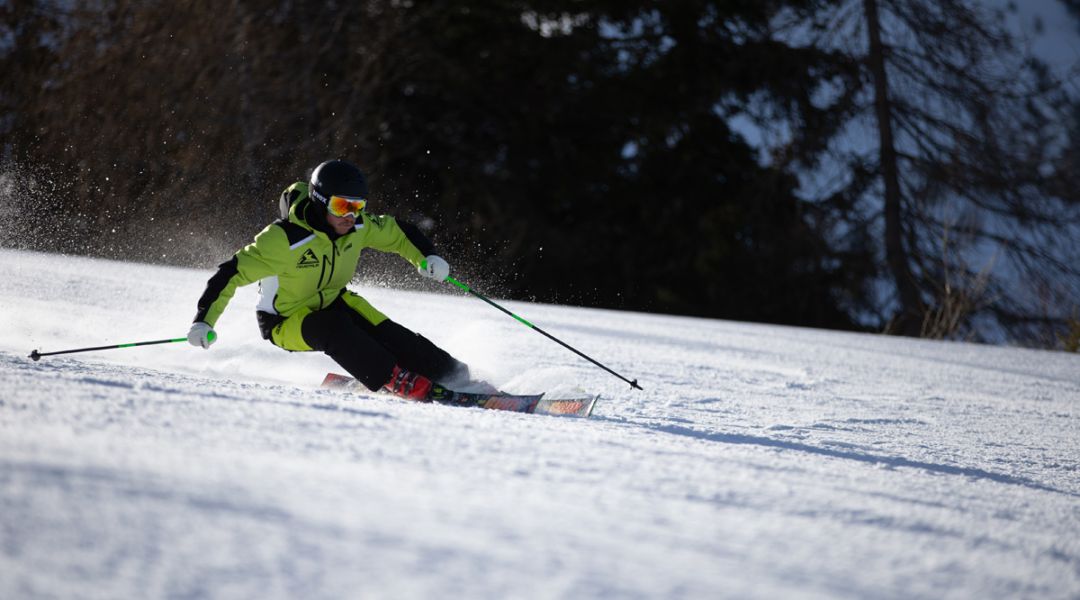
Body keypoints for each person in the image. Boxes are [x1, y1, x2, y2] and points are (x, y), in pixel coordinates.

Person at [188, 159, 484, 400]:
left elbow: (396, 233)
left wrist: (427, 257)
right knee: (333, 327)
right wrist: (204, 320)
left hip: (334, 300)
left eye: (358, 207)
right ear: (320, 201)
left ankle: (455, 377)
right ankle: (395, 379)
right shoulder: (283, 240)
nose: (350, 216)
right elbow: (230, 273)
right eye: (342, 206)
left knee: (393, 336)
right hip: (285, 320)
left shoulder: (357, 226)